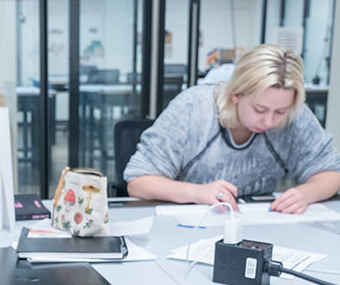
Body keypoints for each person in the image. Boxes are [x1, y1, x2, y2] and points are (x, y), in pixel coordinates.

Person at [123, 44, 340, 213]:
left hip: (261, 227)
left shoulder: (294, 114)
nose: (270, 121)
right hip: (190, 225)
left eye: (280, 112)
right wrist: (198, 192)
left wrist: (306, 193)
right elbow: (139, 183)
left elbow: (332, 173)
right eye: (259, 109)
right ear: (235, 94)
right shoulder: (192, 109)